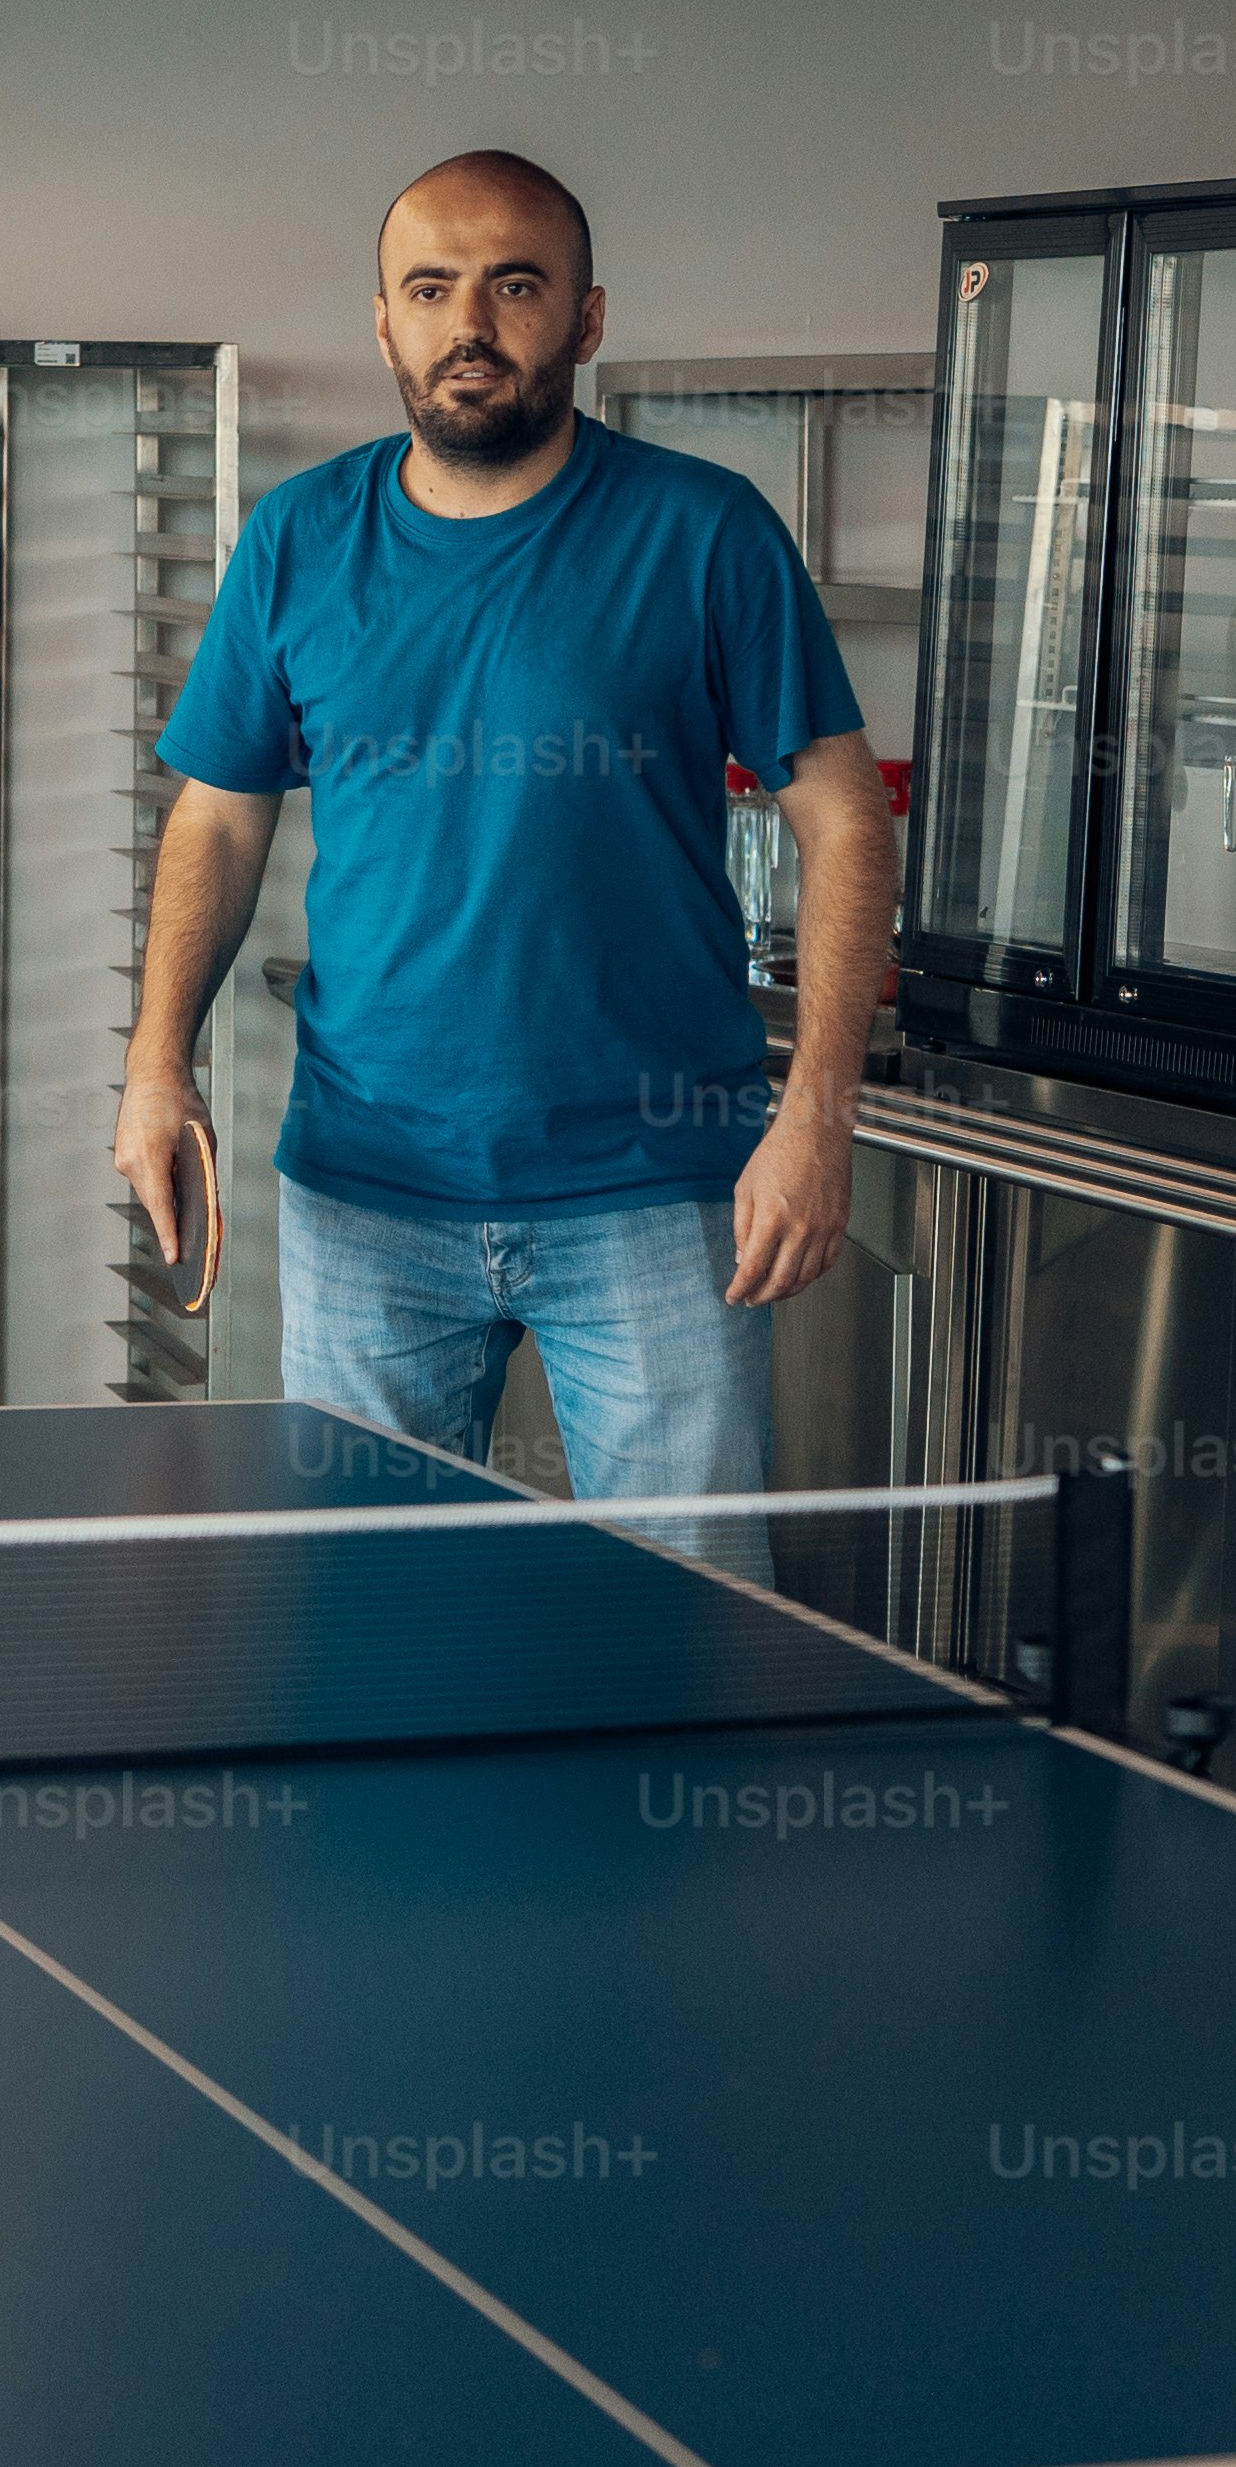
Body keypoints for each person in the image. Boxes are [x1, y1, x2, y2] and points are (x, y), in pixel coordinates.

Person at [118, 147, 895, 1517]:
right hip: (368, 1193)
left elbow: (840, 821)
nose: (468, 325)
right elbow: (221, 820)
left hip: (656, 1189)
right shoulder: (301, 539)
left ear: (587, 319)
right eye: (431, 288)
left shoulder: (705, 534)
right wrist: (152, 1062)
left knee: (685, 1628)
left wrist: (818, 1116)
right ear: (385, 319)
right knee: (370, 1634)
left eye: (514, 285)